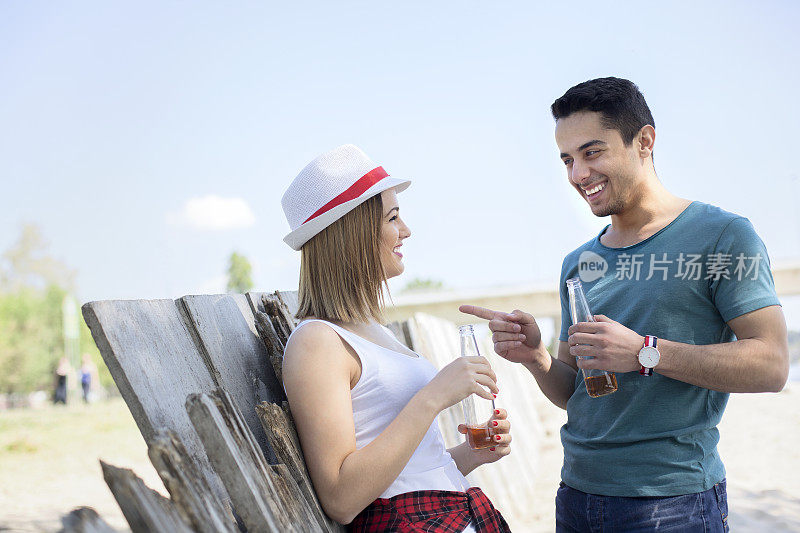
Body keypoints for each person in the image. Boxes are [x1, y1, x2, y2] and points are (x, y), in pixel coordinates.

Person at [461, 77, 789, 532]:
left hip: (673, 503)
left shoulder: (723, 235)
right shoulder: (578, 263)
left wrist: (643, 352)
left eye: (592, 153)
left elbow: (771, 365)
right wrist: (535, 358)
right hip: (576, 497)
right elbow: (578, 393)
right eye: (568, 160)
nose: (578, 174)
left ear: (645, 141)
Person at [280, 144, 512, 532]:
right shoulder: (317, 342)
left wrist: (470, 453)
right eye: (392, 217)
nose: (406, 230)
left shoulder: (374, 333)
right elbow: (341, 498)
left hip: (451, 514)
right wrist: (434, 396)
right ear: (352, 233)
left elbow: (412, 475)